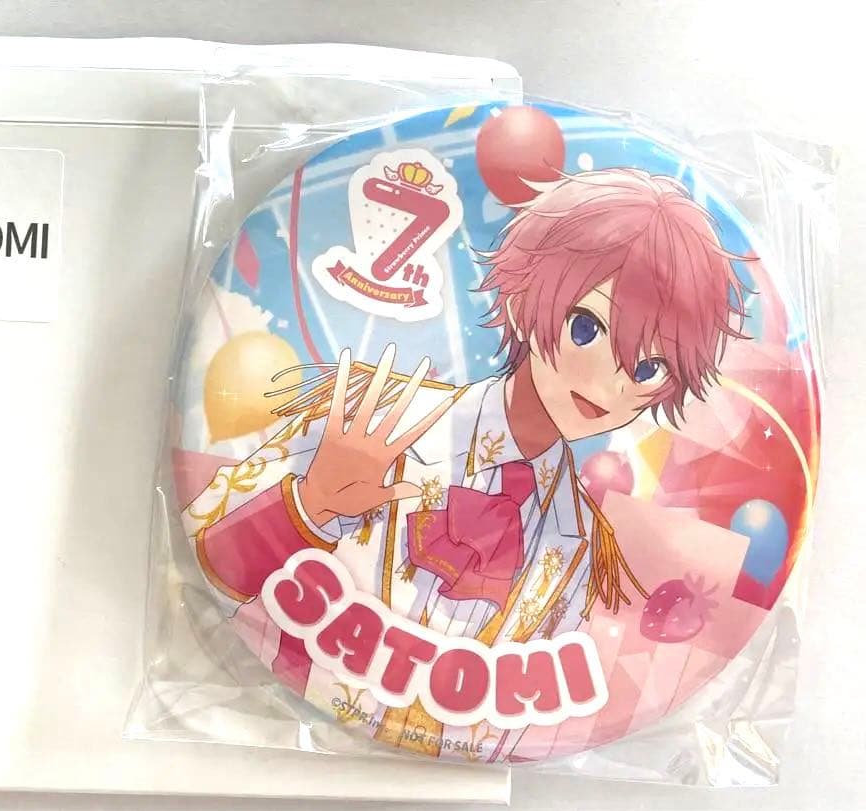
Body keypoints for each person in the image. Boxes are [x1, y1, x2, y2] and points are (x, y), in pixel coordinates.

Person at [183, 167, 748, 761]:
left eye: (648, 368)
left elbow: (527, 722)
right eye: (586, 327)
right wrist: (308, 507)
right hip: (269, 744)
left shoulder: (579, 543)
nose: (608, 382)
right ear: (525, 299)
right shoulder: (372, 422)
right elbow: (212, 558)